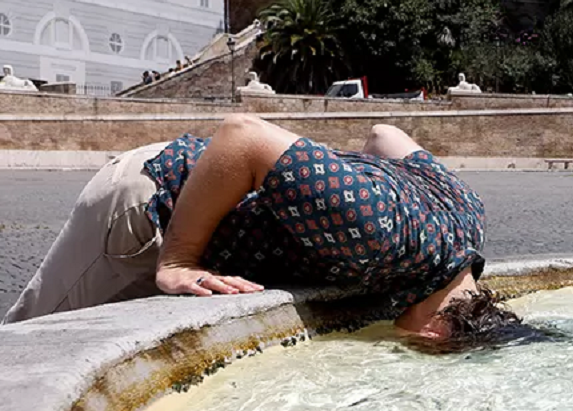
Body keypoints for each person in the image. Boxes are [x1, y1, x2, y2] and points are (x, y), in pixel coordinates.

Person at [3, 115, 526, 350]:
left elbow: (384, 135)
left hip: (195, 205)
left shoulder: (467, 218)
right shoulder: (378, 233)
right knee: (35, 351)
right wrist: (179, 260)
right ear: (434, 331)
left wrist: (326, 179)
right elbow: (244, 134)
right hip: (146, 204)